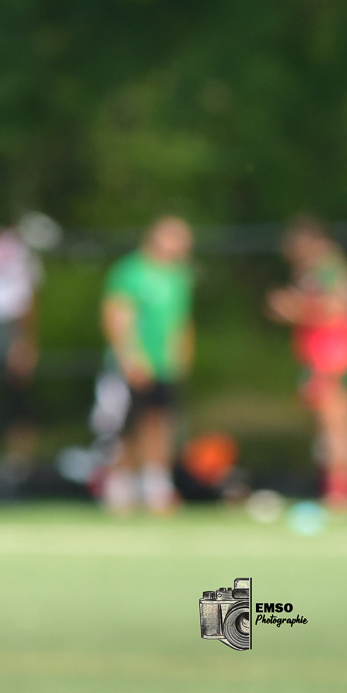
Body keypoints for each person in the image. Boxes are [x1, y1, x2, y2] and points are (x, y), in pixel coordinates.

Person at [98, 215, 194, 514]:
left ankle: (156, 486)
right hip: (135, 362)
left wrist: (182, 354)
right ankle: (119, 485)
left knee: (161, 422)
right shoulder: (131, 271)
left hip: (165, 363)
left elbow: (181, 320)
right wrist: (129, 356)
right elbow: (116, 314)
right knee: (129, 427)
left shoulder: (179, 275)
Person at [267, 218, 347, 510]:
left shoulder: (331, 269)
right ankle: (336, 488)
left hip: (332, 352)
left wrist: (293, 308)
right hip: (316, 354)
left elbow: (339, 307)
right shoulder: (311, 271)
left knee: (335, 421)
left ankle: (342, 491)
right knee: (326, 422)